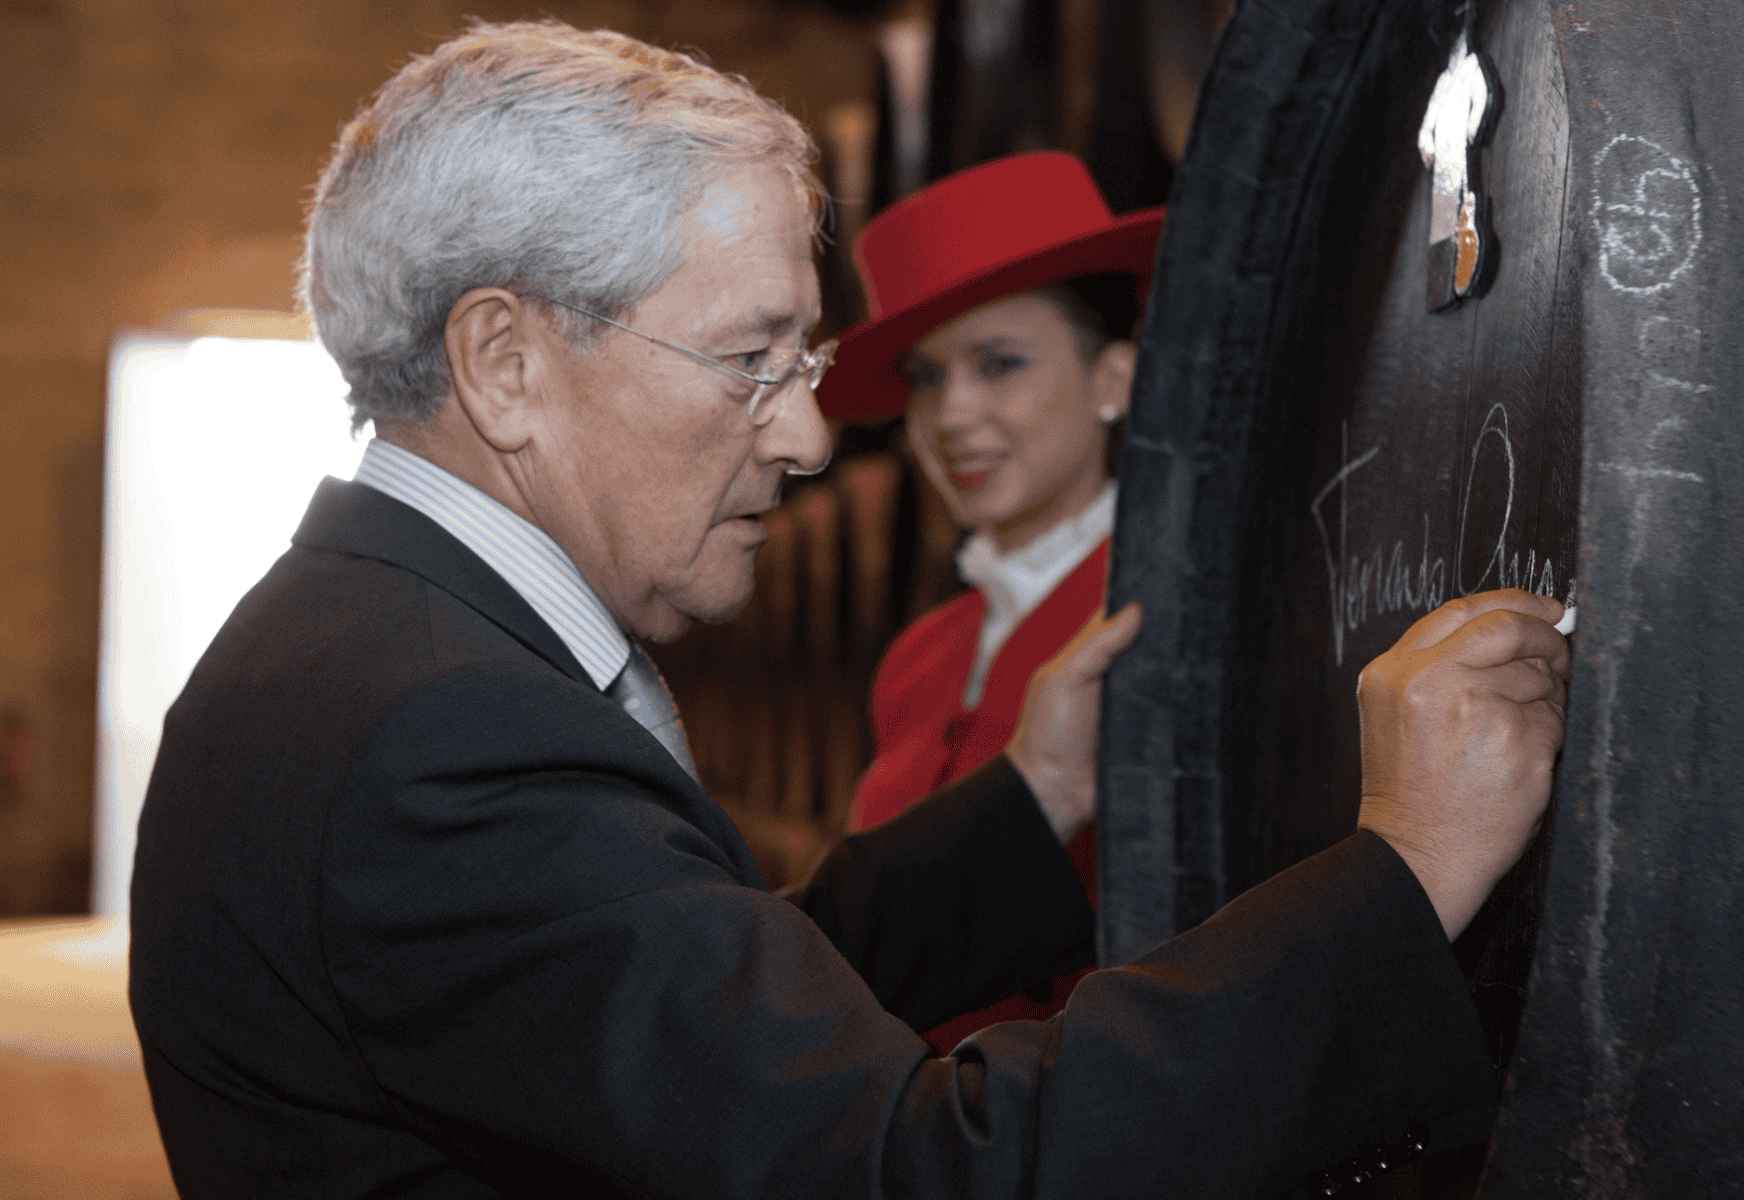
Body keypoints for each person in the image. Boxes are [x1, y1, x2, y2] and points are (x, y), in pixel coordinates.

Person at [128, 20, 1573, 1198]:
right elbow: (908, 1171)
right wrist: (1406, 872)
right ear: (503, 363)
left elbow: (695, 1007)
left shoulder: (376, 645)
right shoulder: (434, 733)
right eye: (752, 358)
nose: (813, 439)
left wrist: (1032, 790)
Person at [821, 151, 1157, 1052]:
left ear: (1113, 381)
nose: (951, 415)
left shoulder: (1163, 611)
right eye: (926, 378)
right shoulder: (919, 653)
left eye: (997, 364)